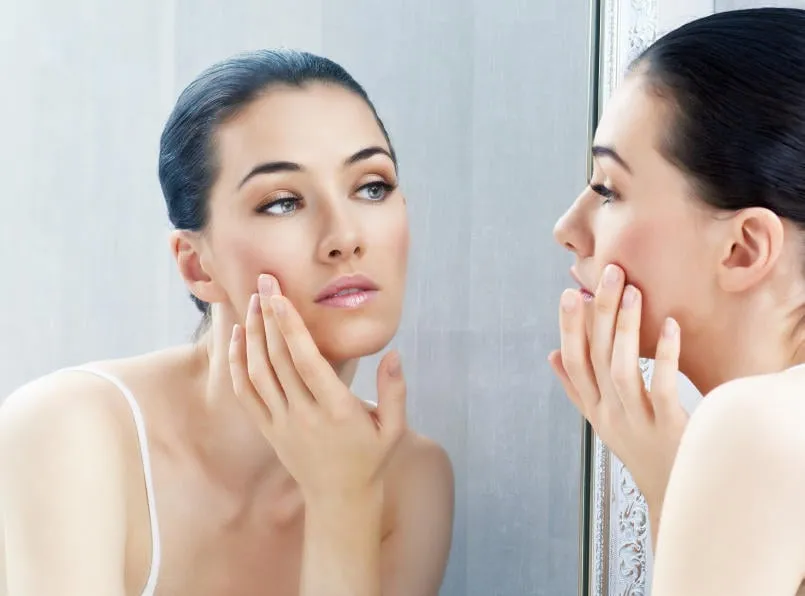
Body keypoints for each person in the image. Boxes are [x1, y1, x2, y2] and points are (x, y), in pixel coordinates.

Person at [0, 49, 454, 596]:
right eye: (283, 202)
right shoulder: (68, 430)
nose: (346, 236)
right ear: (197, 265)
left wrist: (344, 502)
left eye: (371, 187)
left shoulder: (411, 480)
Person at [551, 7, 805, 595]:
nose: (567, 229)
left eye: (608, 189)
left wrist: (677, 487)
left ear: (743, 248)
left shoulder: (753, 428)